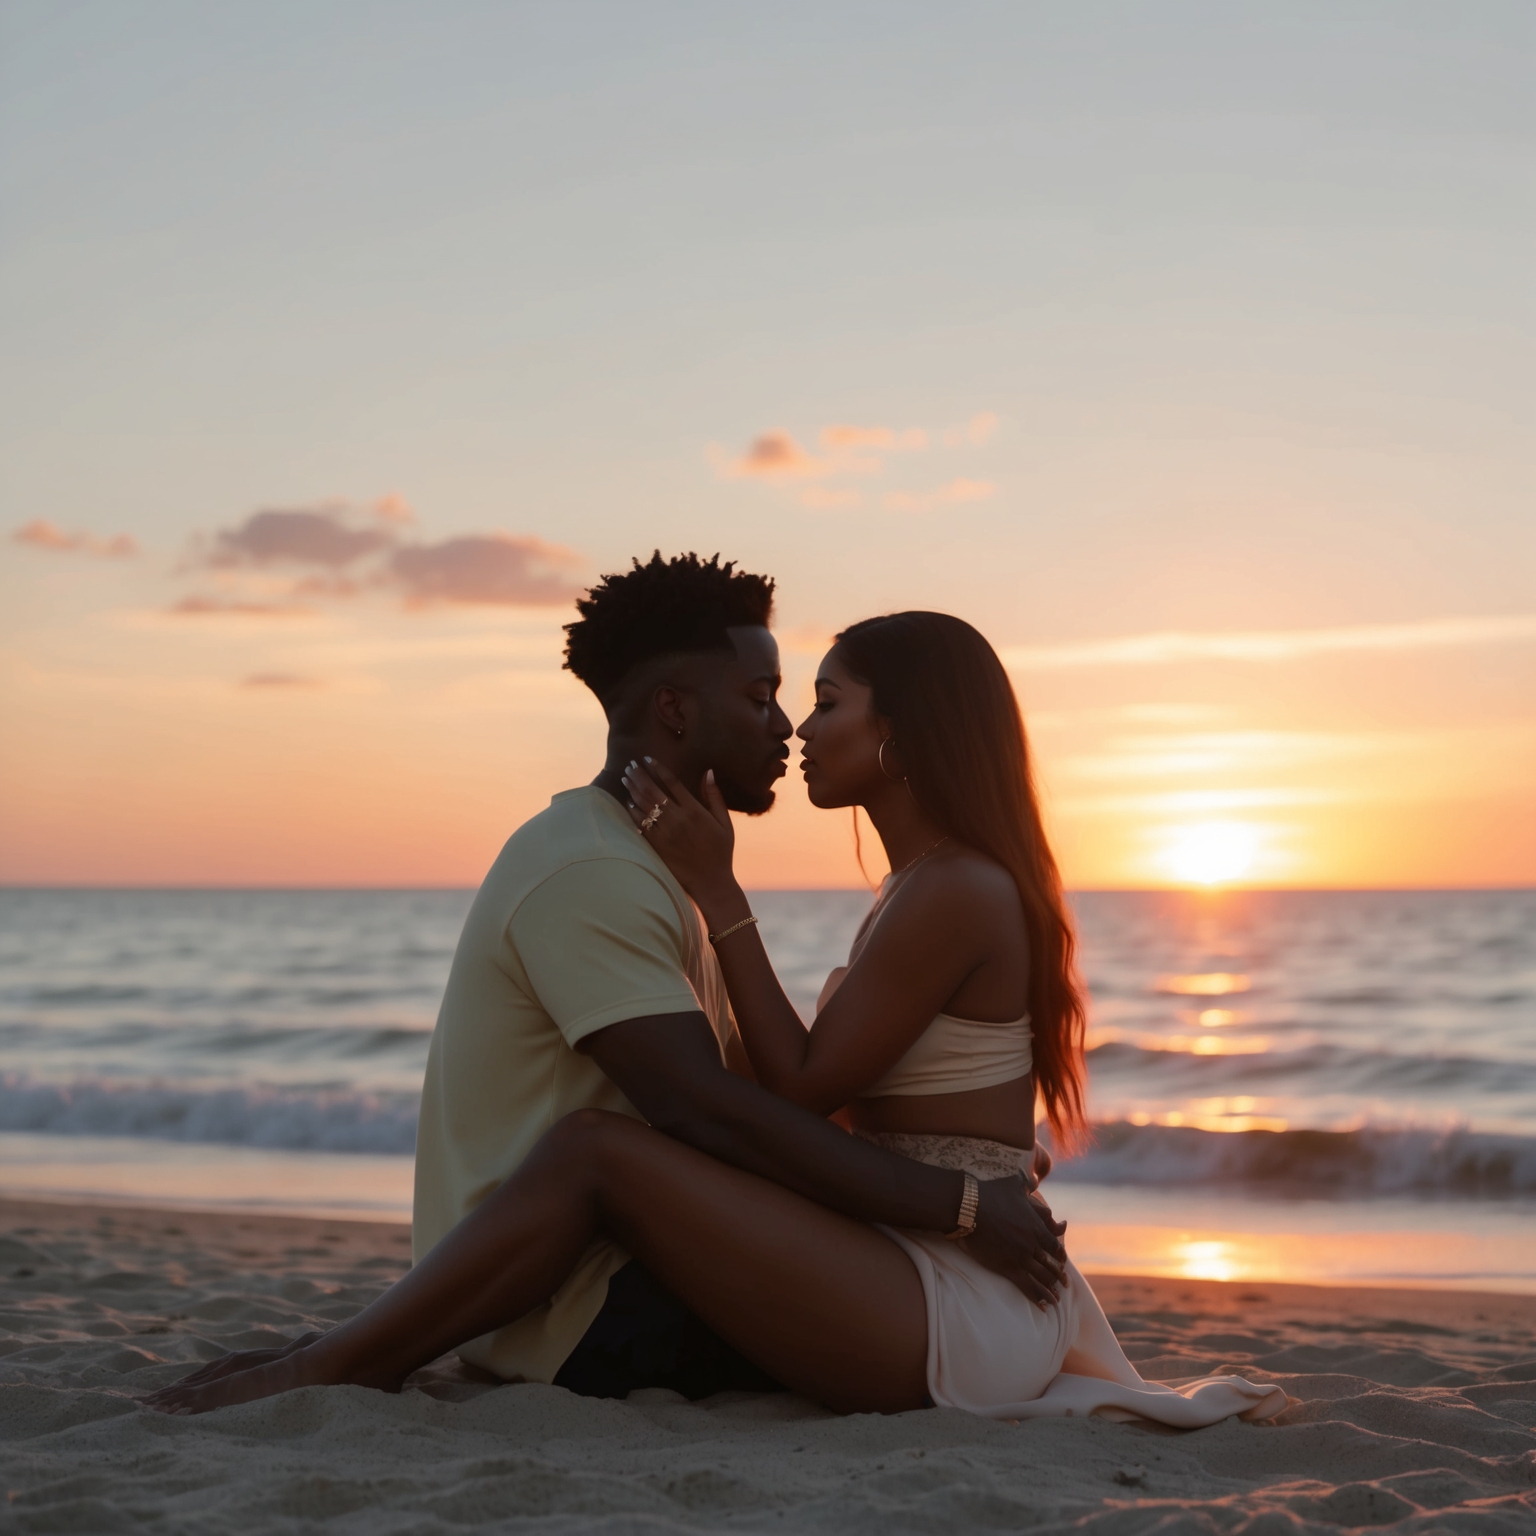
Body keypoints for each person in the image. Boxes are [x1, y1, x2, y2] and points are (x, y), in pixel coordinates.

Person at [145, 554, 1076, 1419]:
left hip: (924, 1288)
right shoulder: (602, 869)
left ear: (902, 735)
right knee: (599, 1148)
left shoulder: (865, 884)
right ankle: (344, 1357)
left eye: (814, 701)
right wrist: (952, 1189)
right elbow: (734, 1108)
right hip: (582, 1291)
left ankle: (344, 1357)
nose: (787, 726)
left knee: (599, 1148)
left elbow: (765, 1101)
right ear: (676, 711)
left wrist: (966, 1180)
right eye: (766, 696)